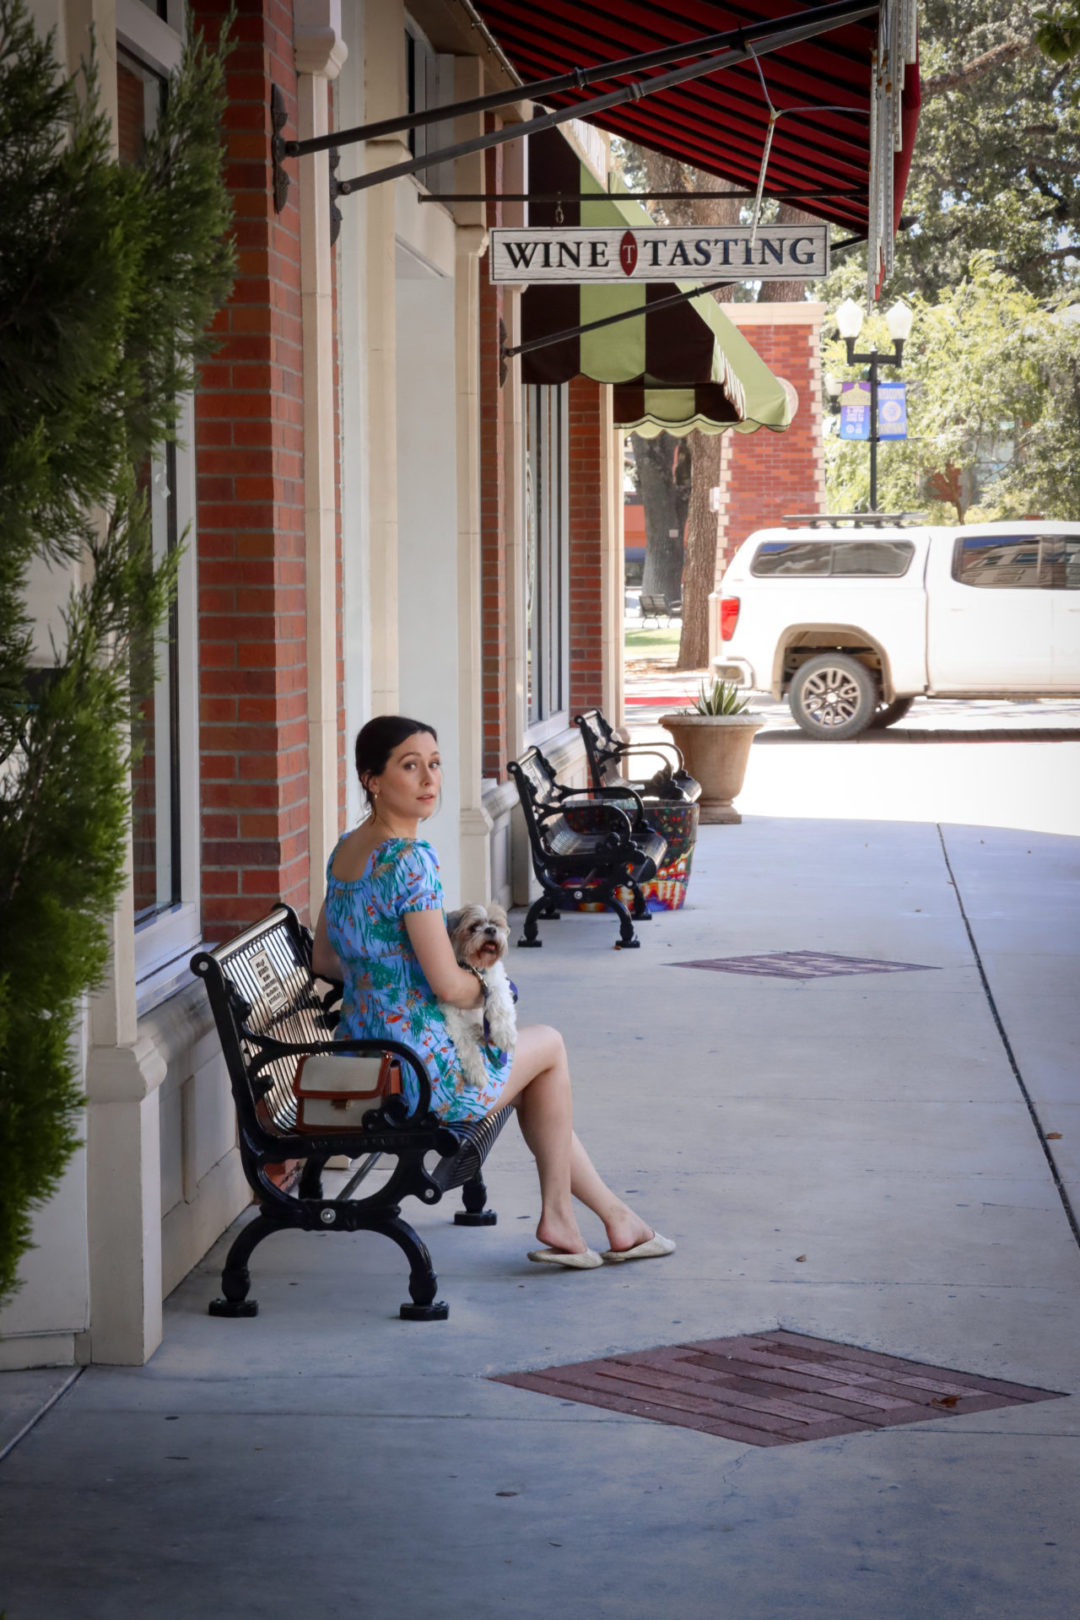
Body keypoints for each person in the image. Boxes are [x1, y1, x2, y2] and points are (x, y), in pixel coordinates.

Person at [312, 714, 675, 1270]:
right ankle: (569, 1216)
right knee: (548, 1047)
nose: (429, 779)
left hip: (361, 1051)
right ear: (373, 779)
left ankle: (609, 1219)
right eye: (410, 766)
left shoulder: (345, 852)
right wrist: (491, 991)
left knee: (535, 1073)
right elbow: (449, 986)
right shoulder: (410, 862)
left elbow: (325, 959)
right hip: (417, 1070)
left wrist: (385, 973)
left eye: (434, 765)